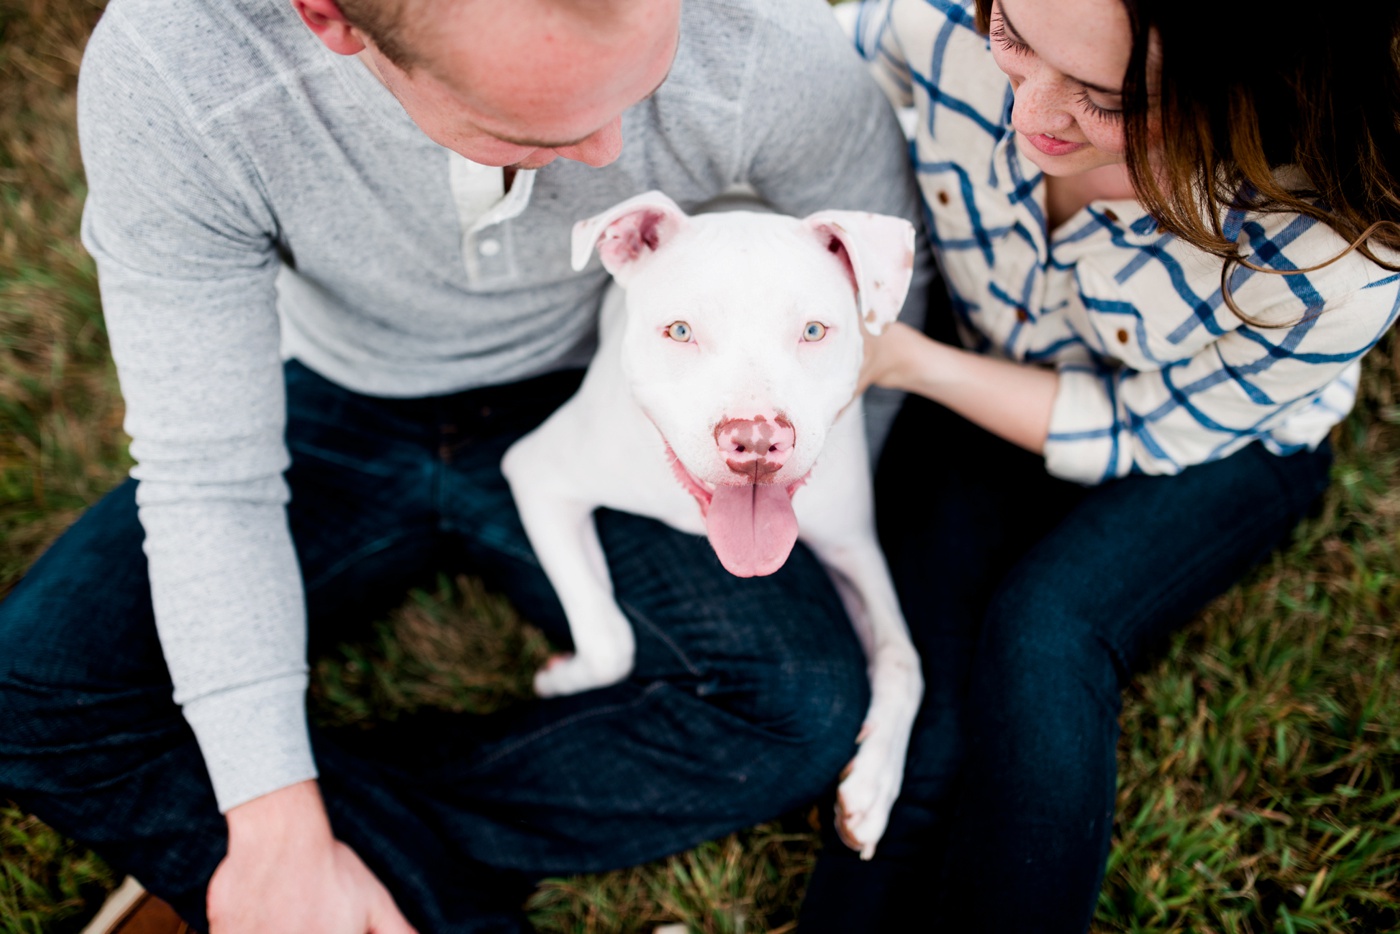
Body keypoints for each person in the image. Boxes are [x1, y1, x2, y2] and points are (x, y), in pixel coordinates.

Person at [0, 0, 930, 931]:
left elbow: (877, 322)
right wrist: (272, 820)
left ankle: (278, 857)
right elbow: (210, 479)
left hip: (585, 398)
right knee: (34, 688)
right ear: (334, 21)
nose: (613, 151)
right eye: (532, 126)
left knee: (797, 707)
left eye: (642, 82)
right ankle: (326, 864)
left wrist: (268, 810)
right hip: (323, 396)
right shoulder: (181, 71)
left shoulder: (767, 45)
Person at [800, 0, 1400, 930]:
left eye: (1106, 100)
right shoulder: (938, 20)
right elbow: (812, 84)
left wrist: (915, 365)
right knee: (925, 692)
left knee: (1043, 631)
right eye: (1015, 39)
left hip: (1213, 443)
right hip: (990, 378)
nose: (1029, 113)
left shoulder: (1329, 265)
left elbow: (1148, 432)